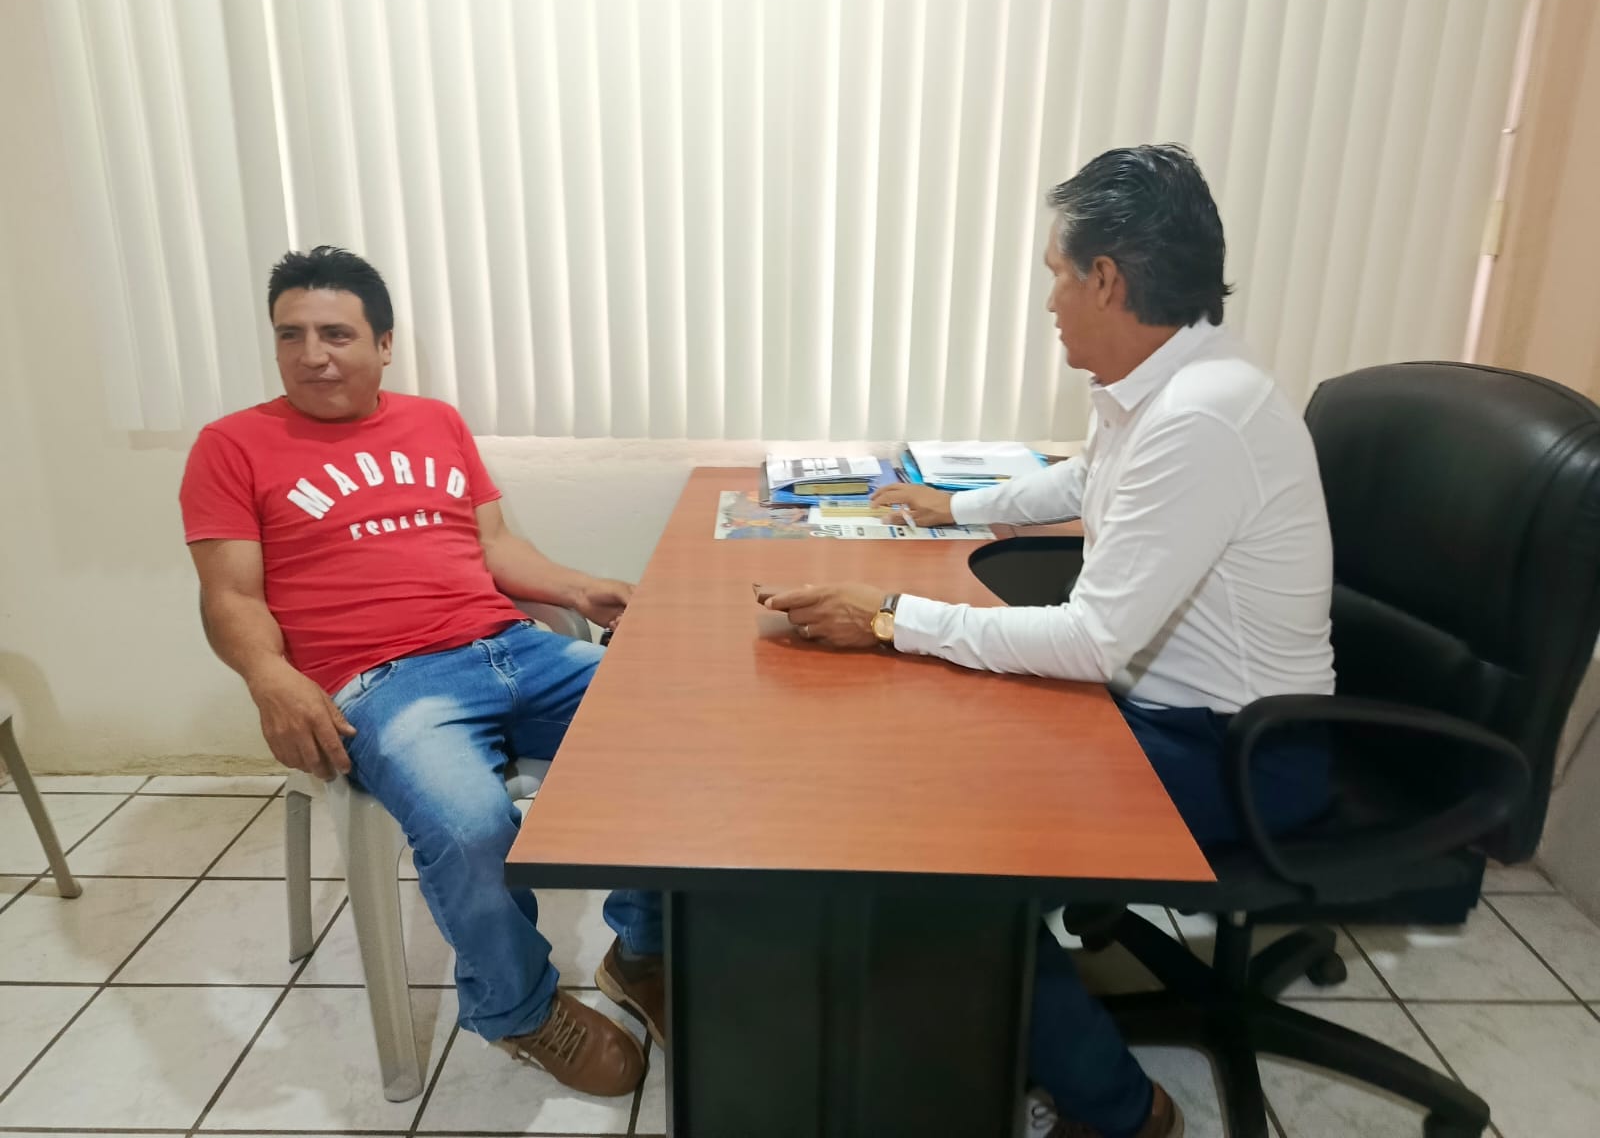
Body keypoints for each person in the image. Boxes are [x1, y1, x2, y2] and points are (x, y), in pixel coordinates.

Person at [762, 145, 1335, 1138]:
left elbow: (1092, 640)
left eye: (1056, 275)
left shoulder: (1202, 414)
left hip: (1243, 752)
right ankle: (984, 1014)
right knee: (928, 755)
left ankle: (1124, 1114)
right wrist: (951, 507)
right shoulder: (1167, 378)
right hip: (1172, 711)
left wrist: (891, 617)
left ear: (1105, 279)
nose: (1049, 302)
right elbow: (1088, 481)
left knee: (945, 860)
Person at [179, 246, 663, 1098]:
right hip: (386, 685)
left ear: (384, 343)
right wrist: (269, 676)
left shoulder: (435, 422)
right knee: (471, 824)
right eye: (290, 335)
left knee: (678, 738)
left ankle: (644, 952)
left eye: (336, 333)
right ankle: (519, 1010)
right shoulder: (231, 446)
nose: (312, 354)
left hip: (511, 645)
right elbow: (229, 595)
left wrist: (578, 586)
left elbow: (494, 546)